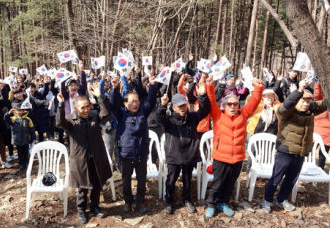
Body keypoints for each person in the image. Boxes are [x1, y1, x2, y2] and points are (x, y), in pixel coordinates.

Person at [262, 80, 328, 213]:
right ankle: (267, 200)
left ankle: (281, 200)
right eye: (302, 101)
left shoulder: (310, 111)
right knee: (276, 177)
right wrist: (299, 91)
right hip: (285, 150)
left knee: (291, 178)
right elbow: (286, 106)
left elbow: (325, 103)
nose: (305, 104)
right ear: (296, 100)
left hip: (301, 152)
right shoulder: (287, 112)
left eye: (307, 102)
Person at [205, 76, 264, 218]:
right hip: (220, 157)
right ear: (224, 106)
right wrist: (209, 85)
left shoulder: (243, 115)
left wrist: (259, 88)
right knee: (217, 183)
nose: (232, 107)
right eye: (229, 104)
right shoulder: (218, 115)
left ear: (238, 106)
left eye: (235, 104)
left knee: (229, 184)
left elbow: (254, 102)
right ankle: (212, 204)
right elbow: (212, 100)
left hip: (237, 158)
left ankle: (223, 203)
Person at [56, 85, 112, 224]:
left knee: (97, 185)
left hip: (96, 158)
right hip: (81, 160)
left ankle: (95, 206)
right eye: (83, 108)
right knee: (82, 188)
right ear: (75, 109)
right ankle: (81, 210)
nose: (86, 110)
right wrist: (60, 105)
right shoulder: (70, 121)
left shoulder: (94, 117)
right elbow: (59, 122)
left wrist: (100, 97)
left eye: (88, 106)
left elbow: (105, 114)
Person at [158, 78, 210, 214]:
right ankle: (168, 200)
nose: (182, 108)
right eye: (179, 106)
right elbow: (158, 119)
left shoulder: (192, 117)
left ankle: (186, 199)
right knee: (171, 180)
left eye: (184, 105)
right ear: (174, 107)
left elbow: (205, 111)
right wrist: (162, 106)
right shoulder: (169, 120)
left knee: (187, 180)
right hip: (173, 155)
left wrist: (203, 96)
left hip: (189, 155)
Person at [109, 74, 157, 214]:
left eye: (137, 101)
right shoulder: (121, 114)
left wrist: (152, 86)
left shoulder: (143, 112)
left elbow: (152, 101)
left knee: (141, 180)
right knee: (126, 181)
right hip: (126, 154)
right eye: (131, 102)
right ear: (125, 103)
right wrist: (115, 88)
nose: (135, 104)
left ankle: (140, 201)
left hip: (141, 154)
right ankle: (128, 202)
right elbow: (112, 104)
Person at [4, 103, 36, 170]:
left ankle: (26, 163)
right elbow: (6, 119)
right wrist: (9, 113)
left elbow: (32, 129)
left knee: (25, 152)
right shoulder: (13, 119)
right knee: (20, 152)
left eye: (21, 110)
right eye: (18, 110)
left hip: (26, 139)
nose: (19, 112)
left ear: (23, 111)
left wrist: (33, 138)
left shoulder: (28, 119)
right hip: (17, 139)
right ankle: (21, 164)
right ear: (15, 111)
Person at [313, 82, 330, 170]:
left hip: (326, 134)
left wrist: (317, 83)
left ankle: (320, 173)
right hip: (318, 132)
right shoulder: (323, 101)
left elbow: (317, 94)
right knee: (319, 154)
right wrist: (317, 83)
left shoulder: (322, 100)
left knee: (321, 154)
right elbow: (317, 95)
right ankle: (320, 171)